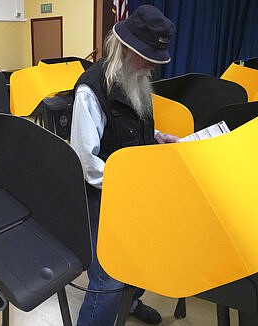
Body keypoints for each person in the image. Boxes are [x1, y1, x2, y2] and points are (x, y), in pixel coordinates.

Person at [70, 5, 179, 326]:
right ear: (125, 48)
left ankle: (130, 305)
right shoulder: (92, 89)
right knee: (108, 280)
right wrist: (130, 186)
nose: (149, 65)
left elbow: (129, 125)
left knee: (139, 260)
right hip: (103, 197)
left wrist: (157, 136)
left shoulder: (136, 79)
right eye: (145, 56)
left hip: (135, 189)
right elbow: (86, 162)